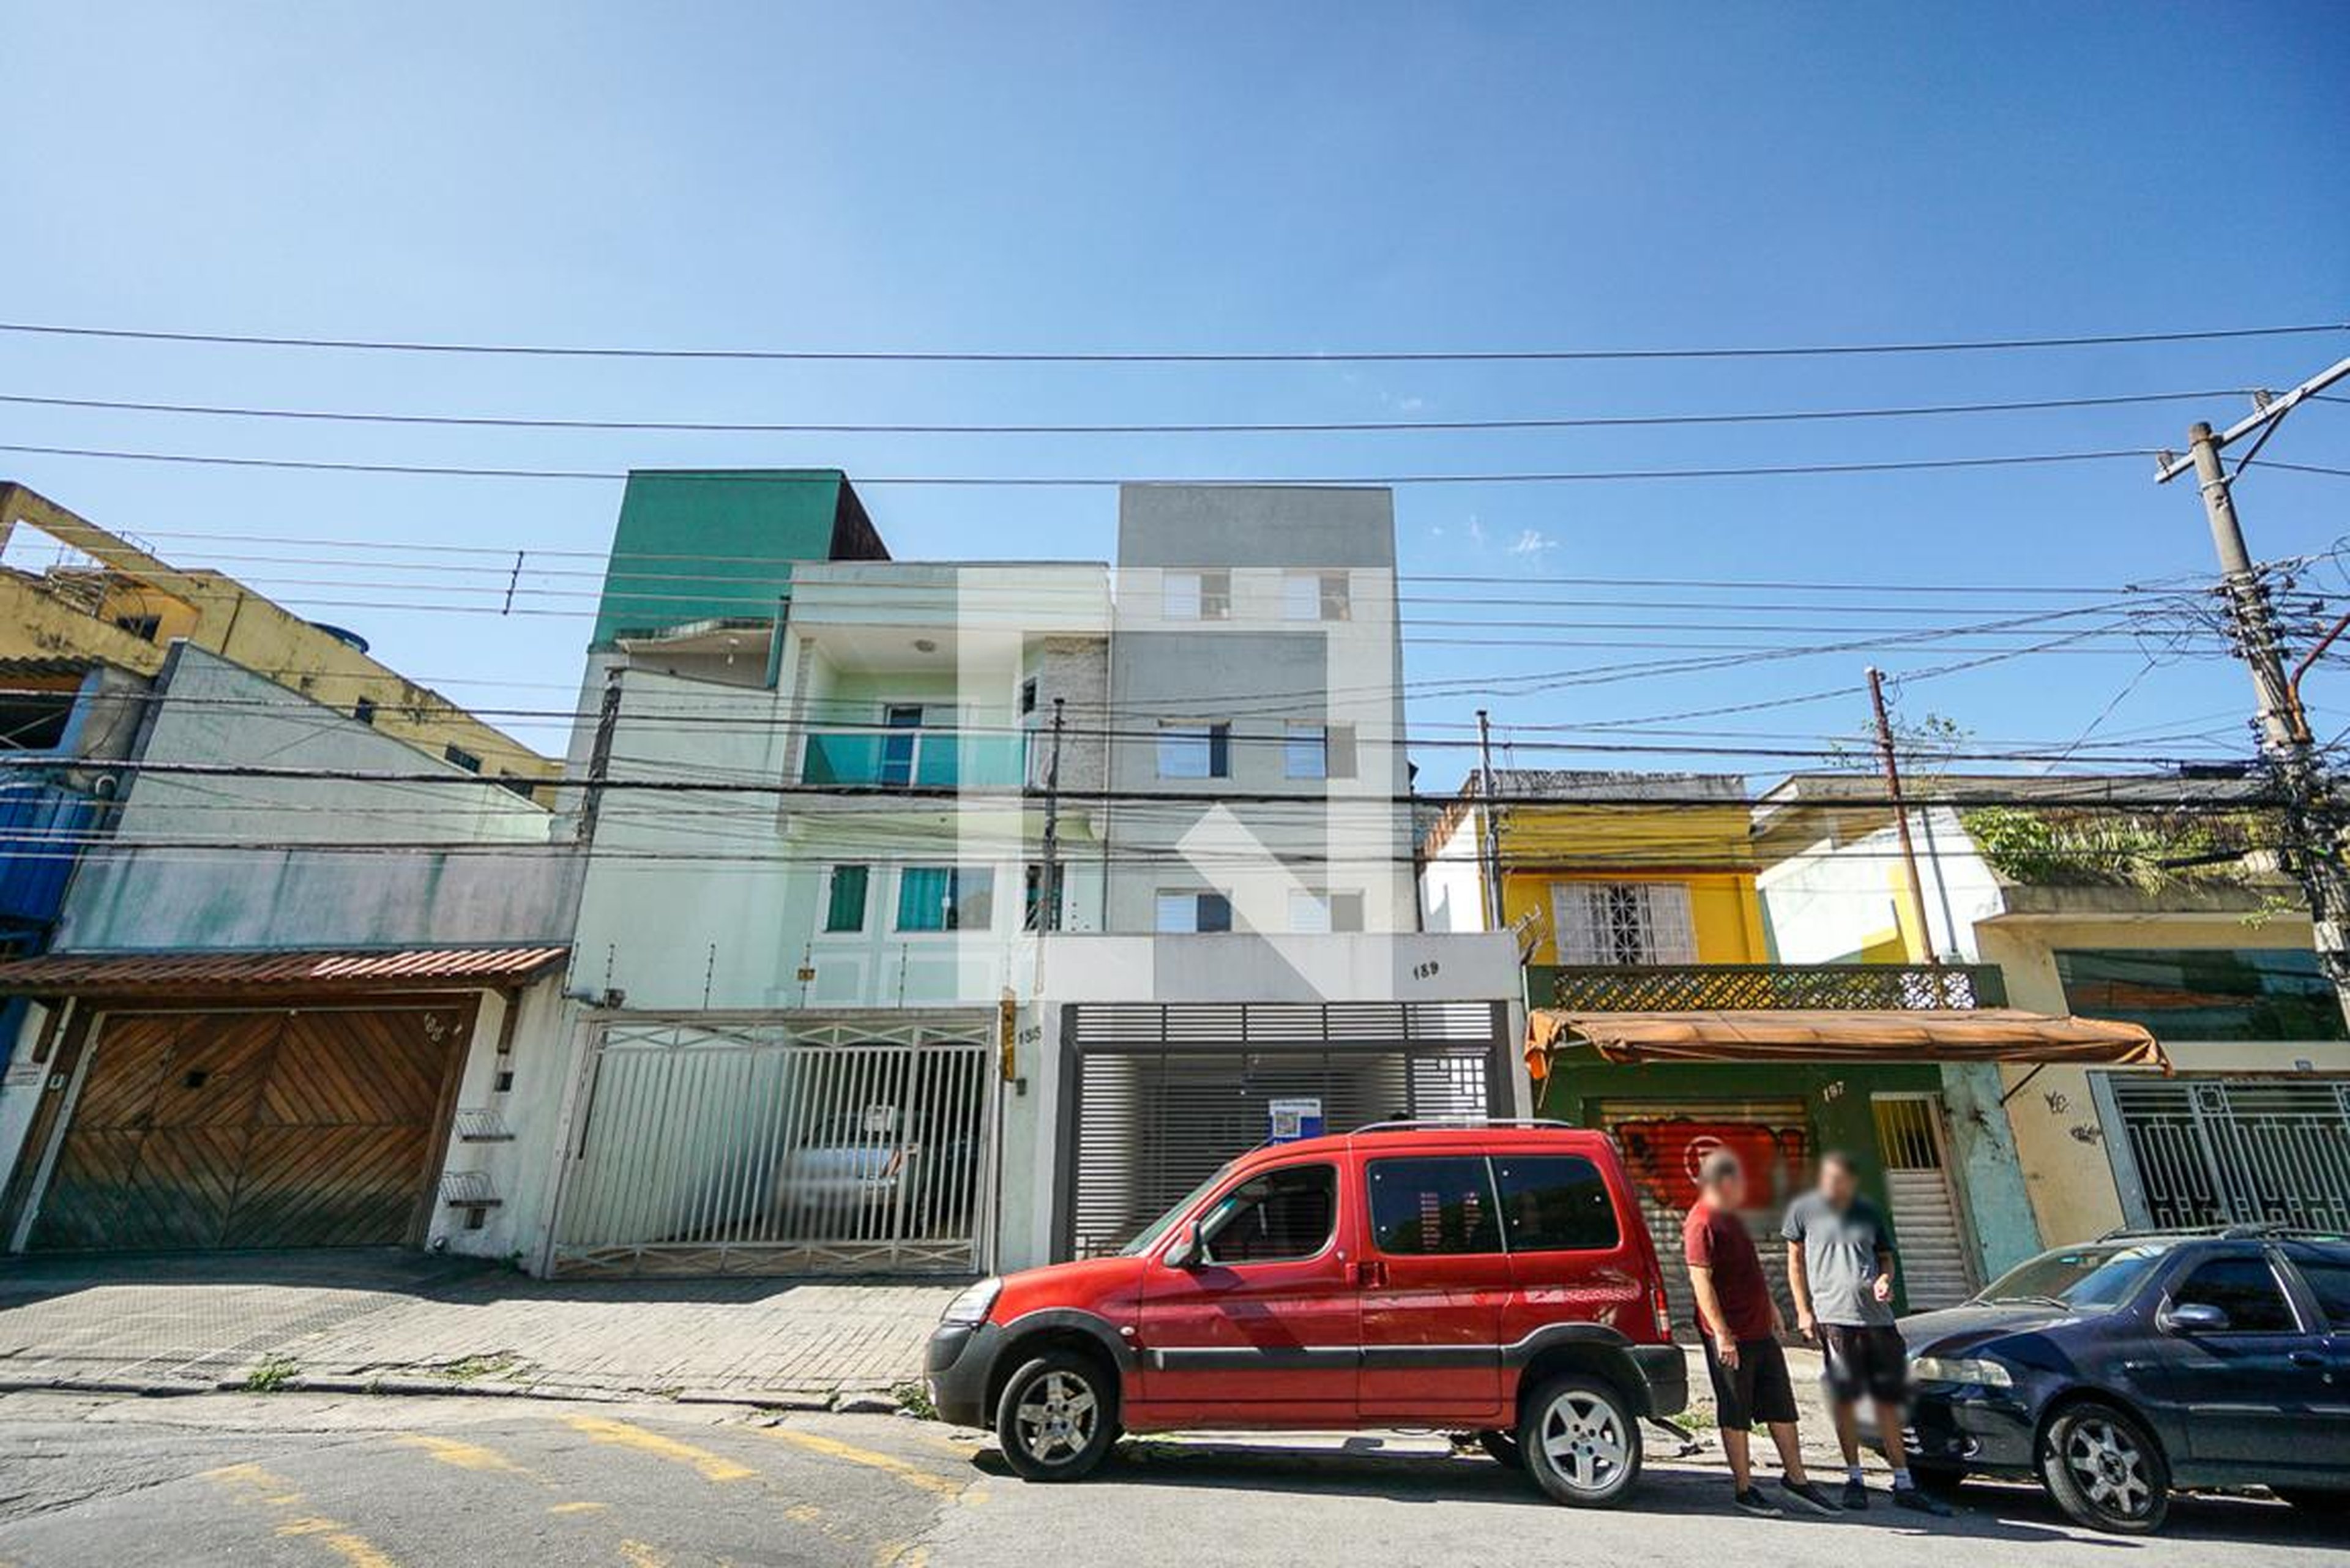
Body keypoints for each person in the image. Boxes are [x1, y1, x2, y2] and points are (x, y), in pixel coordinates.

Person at [1782, 1151, 1953, 1517]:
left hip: (1878, 1321)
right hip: (1835, 1320)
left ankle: (1903, 1480)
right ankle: (1854, 1478)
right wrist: (1803, 1311)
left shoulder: (1867, 1212)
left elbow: (1886, 1258)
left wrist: (1884, 1280)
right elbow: (1794, 1262)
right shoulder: (1804, 1212)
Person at [1684, 1148, 1841, 1518]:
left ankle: (1797, 1480)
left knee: (1781, 1406)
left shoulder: (1732, 1217)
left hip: (1759, 1332)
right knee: (1736, 1412)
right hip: (1731, 1337)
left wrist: (1771, 1305)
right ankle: (1745, 1488)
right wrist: (1722, 1333)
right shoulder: (1701, 1222)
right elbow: (1700, 1282)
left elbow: (1750, 1268)